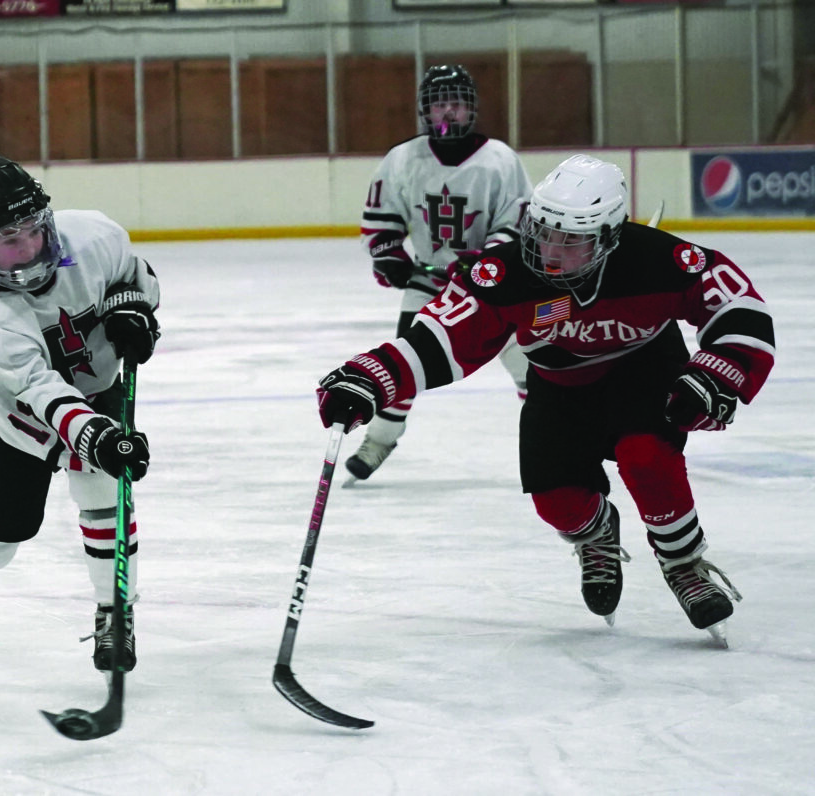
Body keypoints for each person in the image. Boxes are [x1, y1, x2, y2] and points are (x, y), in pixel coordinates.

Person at [317, 154, 775, 641]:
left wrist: (716, 375)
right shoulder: (507, 273)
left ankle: (683, 563)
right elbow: (442, 338)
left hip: (644, 373)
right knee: (555, 501)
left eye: (571, 240)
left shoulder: (658, 260)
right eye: (543, 232)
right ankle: (595, 532)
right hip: (558, 388)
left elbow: (740, 308)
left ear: (609, 238)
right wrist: (369, 378)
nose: (550, 251)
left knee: (646, 457)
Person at [0, 155, 160, 674]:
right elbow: (43, 395)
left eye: (32, 231)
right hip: (17, 424)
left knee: (102, 489)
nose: (27, 251)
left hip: (97, 391)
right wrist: (102, 439)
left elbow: (139, 277)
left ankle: (115, 610)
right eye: (7, 241)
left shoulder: (94, 237)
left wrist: (134, 306)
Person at [346, 63, 533, 482]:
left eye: (456, 105)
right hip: (429, 285)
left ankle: (548, 443)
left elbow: (517, 221)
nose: (448, 114)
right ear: (424, 112)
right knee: (404, 364)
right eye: (439, 105)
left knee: (529, 369)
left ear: (471, 110)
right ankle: (379, 440)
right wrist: (388, 252)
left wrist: (488, 260)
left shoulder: (500, 160)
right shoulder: (404, 158)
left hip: (493, 286)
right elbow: (381, 215)